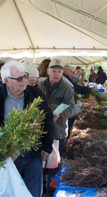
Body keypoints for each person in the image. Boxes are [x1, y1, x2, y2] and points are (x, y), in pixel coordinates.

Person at [0, 60, 54, 197]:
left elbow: (48, 120)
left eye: (25, 76)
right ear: (6, 81)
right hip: (8, 156)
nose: (24, 81)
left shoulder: (36, 94)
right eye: (19, 79)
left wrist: (46, 147)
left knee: (33, 191)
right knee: (11, 191)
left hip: (32, 154)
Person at [37, 59, 75, 195]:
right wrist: (46, 113)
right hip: (40, 131)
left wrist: (53, 110)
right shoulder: (40, 86)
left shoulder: (67, 88)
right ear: (48, 71)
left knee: (55, 164)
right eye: (54, 71)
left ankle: (52, 190)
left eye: (59, 71)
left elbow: (72, 110)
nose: (56, 74)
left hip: (58, 132)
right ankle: (41, 188)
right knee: (41, 162)